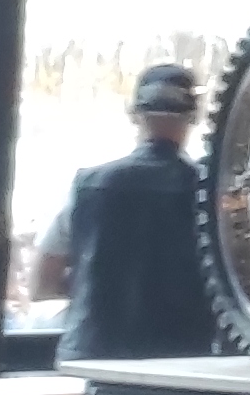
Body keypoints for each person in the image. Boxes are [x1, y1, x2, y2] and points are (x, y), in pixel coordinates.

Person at [29, 66, 219, 361]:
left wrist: (99, 283)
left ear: (133, 114)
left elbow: (42, 285)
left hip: (93, 356)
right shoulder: (212, 193)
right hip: (181, 361)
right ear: (194, 117)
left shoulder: (88, 186)